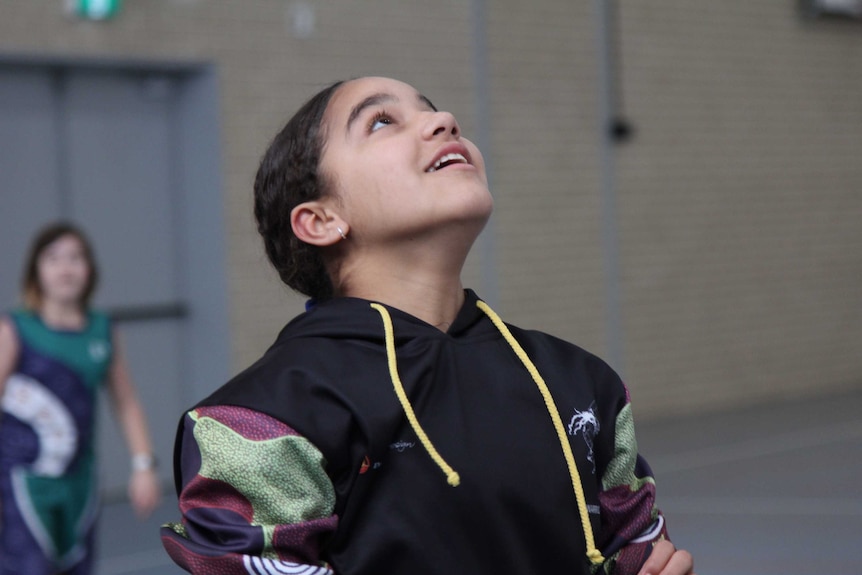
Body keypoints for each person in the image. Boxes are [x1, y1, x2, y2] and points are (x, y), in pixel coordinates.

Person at [160, 76, 695, 575]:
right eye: (381, 122)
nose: (445, 122)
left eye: (434, 111)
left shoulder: (583, 383)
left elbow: (635, 548)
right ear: (321, 220)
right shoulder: (261, 423)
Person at [0, 221, 162, 575]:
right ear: (36, 270)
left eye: (75, 257)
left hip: (80, 484)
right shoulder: (14, 330)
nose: (65, 267)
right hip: (22, 484)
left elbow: (127, 401)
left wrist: (143, 465)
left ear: (89, 269)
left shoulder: (103, 330)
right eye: (53, 258)